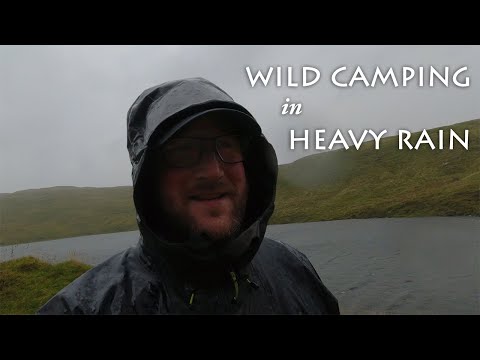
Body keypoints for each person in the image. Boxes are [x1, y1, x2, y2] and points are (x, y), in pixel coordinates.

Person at [37, 77, 340, 315]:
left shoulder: (293, 268)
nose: (213, 172)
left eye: (228, 147)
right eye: (184, 150)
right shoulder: (84, 308)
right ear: (149, 177)